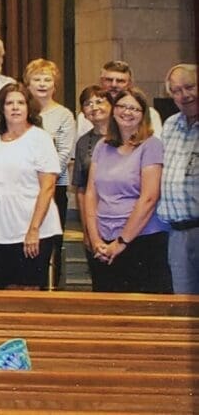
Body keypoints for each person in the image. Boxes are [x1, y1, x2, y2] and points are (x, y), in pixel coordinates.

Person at [83, 88, 171, 293]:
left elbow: (149, 198)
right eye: (122, 106)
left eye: (134, 108)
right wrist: (96, 239)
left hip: (140, 240)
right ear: (114, 110)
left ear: (143, 114)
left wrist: (121, 242)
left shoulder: (151, 145)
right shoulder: (102, 146)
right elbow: (90, 193)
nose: (127, 112)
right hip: (103, 243)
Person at [0, 83, 61, 290]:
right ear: (1, 108)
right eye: (9, 103)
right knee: (4, 293)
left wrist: (33, 230)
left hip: (33, 230)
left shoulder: (40, 138)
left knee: (29, 292)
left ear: (29, 107)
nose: (15, 107)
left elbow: (48, 187)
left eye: (20, 102)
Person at [25, 59, 76, 286]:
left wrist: (45, 178)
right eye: (37, 79)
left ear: (55, 86)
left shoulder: (64, 115)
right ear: (28, 84)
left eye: (48, 80)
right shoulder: (22, 112)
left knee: (49, 242)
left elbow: (64, 154)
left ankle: (51, 287)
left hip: (54, 187)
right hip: (23, 188)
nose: (42, 84)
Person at [158, 63, 198, 293]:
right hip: (177, 234)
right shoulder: (170, 125)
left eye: (190, 87)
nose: (184, 95)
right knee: (183, 304)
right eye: (176, 90)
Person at [72, 85, 112, 268]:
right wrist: (87, 230)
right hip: (95, 220)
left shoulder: (128, 135)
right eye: (88, 104)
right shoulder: (82, 143)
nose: (94, 107)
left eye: (99, 101)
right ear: (84, 113)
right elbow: (80, 189)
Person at [77, 60, 164, 138]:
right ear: (101, 81)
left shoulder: (148, 113)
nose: (114, 85)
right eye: (109, 80)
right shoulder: (88, 115)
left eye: (120, 81)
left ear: (130, 84)